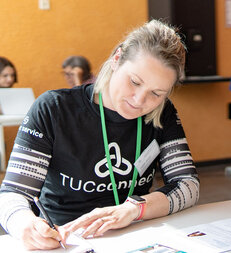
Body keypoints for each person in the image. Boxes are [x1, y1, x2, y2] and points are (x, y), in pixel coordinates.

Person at [0, 20, 199, 250]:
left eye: (156, 93)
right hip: (65, 241)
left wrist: (135, 208)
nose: (139, 100)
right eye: (134, 82)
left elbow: (187, 184)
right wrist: (23, 224)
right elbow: (12, 193)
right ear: (117, 58)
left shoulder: (162, 113)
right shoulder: (54, 109)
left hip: (137, 237)